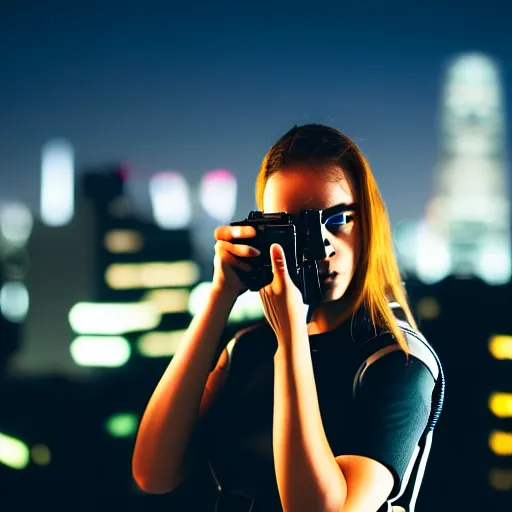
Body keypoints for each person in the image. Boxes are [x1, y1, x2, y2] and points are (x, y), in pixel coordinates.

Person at [132, 124, 442, 512]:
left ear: (370, 222)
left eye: (337, 220)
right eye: (297, 230)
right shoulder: (248, 348)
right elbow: (153, 473)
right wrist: (219, 297)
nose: (322, 247)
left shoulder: (398, 363)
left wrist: (292, 336)